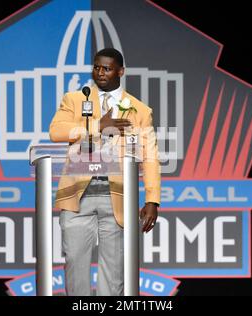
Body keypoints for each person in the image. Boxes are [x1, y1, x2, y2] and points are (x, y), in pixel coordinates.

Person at [49, 48, 161, 296]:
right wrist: (98, 126)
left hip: (119, 195)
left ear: (120, 71)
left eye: (107, 68)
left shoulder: (139, 110)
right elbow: (56, 131)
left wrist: (152, 198)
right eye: (97, 67)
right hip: (78, 194)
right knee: (75, 266)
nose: (100, 72)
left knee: (114, 272)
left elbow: (151, 157)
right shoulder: (75, 99)